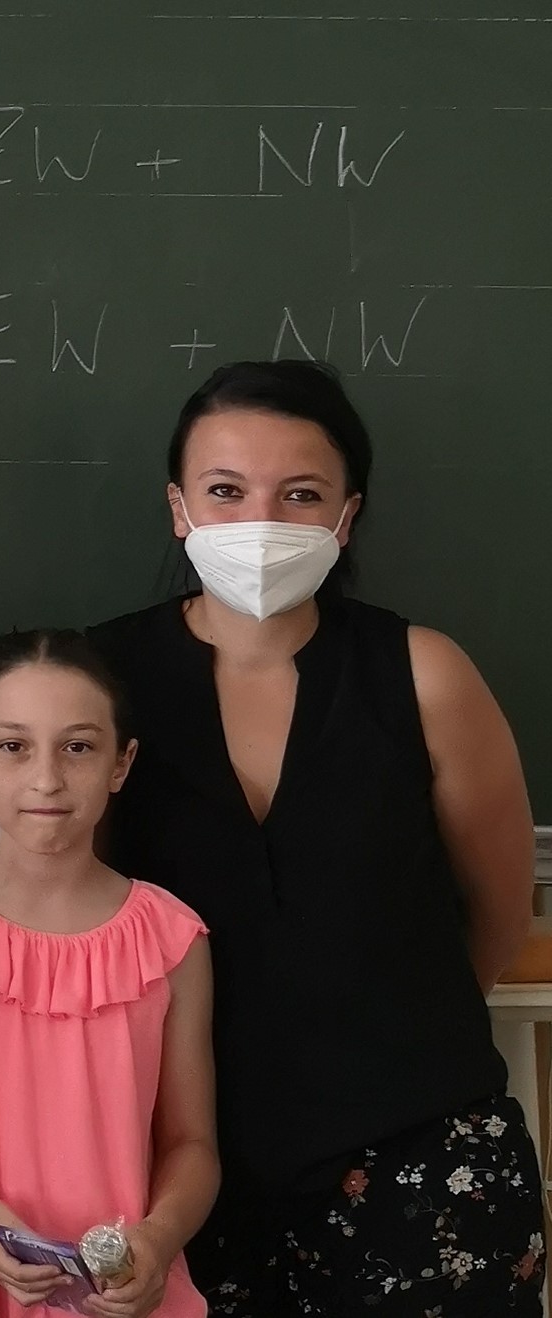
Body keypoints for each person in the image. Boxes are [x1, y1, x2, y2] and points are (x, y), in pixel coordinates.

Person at [89, 359, 545, 1314]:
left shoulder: (424, 675)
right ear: (177, 508)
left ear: (345, 516)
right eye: (225, 490)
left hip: (420, 1160)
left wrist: (383, 1041)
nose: (259, 521)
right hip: (169, 1167)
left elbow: (498, 905)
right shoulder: (94, 685)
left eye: (299, 494)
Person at [0, 630, 215, 1318]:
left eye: (77, 747)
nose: (46, 778)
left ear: (121, 762)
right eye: (12, 746)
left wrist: (159, 1237)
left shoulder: (171, 938)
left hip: (116, 1296)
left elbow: (191, 1144)